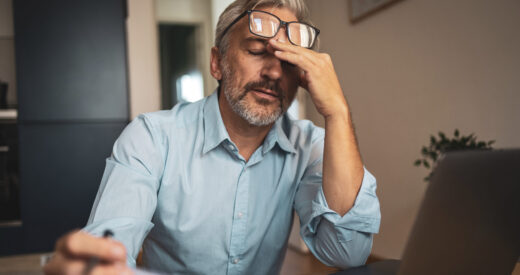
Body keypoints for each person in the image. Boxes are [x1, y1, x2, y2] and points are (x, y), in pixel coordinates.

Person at [44, 0, 380, 274]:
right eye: (256, 50)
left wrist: (337, 112)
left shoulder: (311, 146)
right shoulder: (152, 137)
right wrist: (94, 265)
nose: (275, 71)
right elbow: (111, 244)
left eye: (289, 60)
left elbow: (347, 253)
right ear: (217, 63)